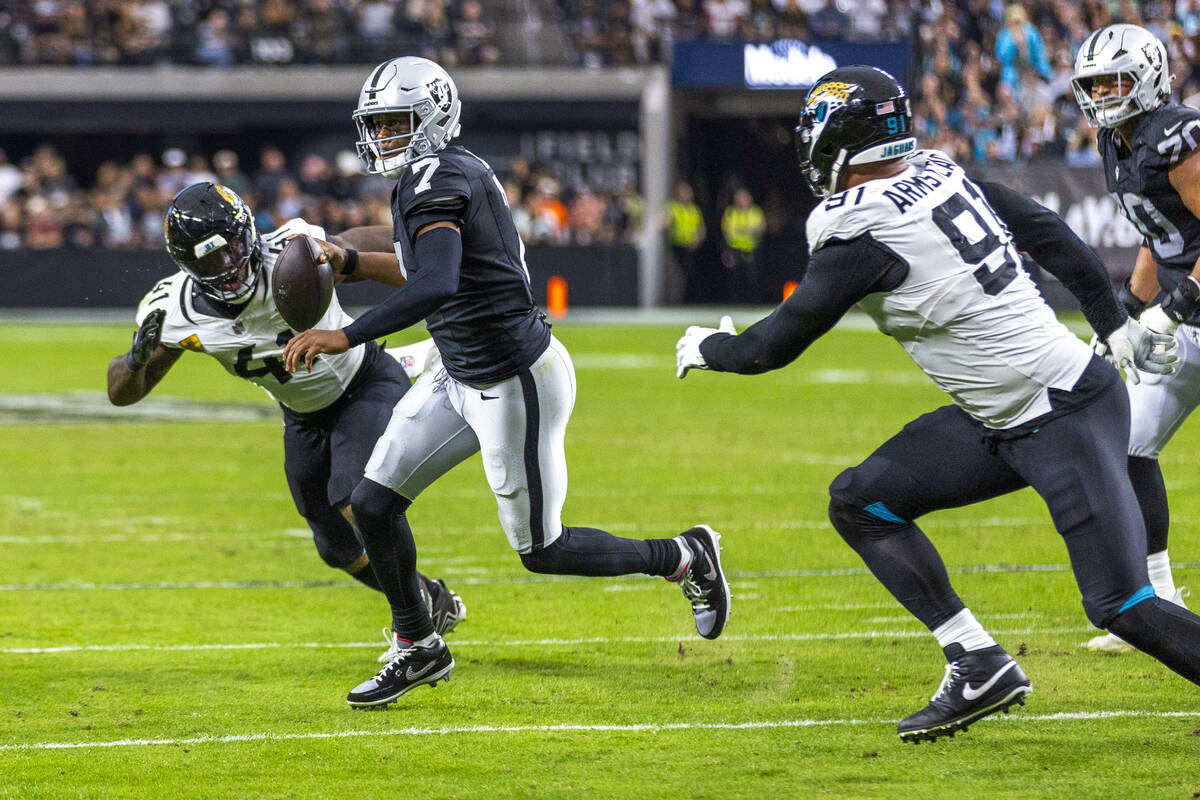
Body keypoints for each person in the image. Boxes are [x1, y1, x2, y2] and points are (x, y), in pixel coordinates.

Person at [675, 65, 1200, 743]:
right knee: (862, 502)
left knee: (1123, 606)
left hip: (1062, 411)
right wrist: (1113, 324)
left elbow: (774, 346)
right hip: (1006, 417)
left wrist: (709, 348)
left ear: (841, 137)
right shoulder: (939, 172)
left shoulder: (860, 230)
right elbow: (1045, 229)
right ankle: (978, 661)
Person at [281, 56, 731, 708]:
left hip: (512, 380)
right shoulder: (437, 175)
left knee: (542, 550)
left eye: (393, 124)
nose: (381, 138)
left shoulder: (437, 178)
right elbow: (427, 267)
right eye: (375, 125)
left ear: (430, 119)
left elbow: (433, 281)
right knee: (372, 503)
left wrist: (345, 333)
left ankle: (683, 555)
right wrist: (350, 260)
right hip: (460, 369)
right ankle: (419, 646)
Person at [106, 182, 467, 656]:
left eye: (235, 246)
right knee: (336, 547)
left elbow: (356, 244)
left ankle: (416, 636)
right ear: (186, 264)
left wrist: (419, 244)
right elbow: (121, 393)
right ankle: (431, 599)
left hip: (364, 382)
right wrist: (136, 359)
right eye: (211, 259)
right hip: (301, 415)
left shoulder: (292, 251)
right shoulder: (175, 312)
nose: (230, 265)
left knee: (355, 497)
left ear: (248, 232)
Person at [1070, 23, 1196, 651]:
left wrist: (1177, 305)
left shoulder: (1179, 136)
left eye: (1115, 79)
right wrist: (1122, 313)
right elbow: (1155, 233)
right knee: (1129, 447)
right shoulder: (1115, 143)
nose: (1103, 93)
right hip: (1185, 325)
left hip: (1189, 313)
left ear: (1150, 75)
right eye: (1094, 82)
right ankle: (1160, 598)